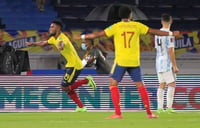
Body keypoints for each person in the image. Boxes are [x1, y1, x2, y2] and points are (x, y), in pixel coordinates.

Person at [74, 6, 180, 119]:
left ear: (120, 16)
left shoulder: (116, 27)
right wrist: (171, 34)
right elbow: (154, 32)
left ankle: (118, 113)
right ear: (130, 15)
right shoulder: (137, 26)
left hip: (121, 61)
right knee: (140, 86)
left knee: (113, 84)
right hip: (134, 61)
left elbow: (97, 35)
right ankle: (149, 113)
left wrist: (82, 36)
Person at [26, 20, 96, 112]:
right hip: (70, 65)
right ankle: (81, 107)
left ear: (58, 28)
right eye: (50, 27)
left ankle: (87, 80)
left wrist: (60, 46)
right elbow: (44, 43)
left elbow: (61, 44)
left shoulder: (62, 38)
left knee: (64, 87)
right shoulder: (53, 38)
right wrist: (33, 44)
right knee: (67, 88)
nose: (50, 29)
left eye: (52, 27)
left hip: (74, 65)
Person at [155, 14, 179, 114]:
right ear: (171, 21)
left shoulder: (157, 34)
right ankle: (169, 107)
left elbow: (157, 48)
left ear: (161, 21)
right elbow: (171, 51)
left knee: (162, 84)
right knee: (172, 83)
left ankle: (160, 108)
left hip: (158, 61)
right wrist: (174, 65)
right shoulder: (170, 34)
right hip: (167, 62)